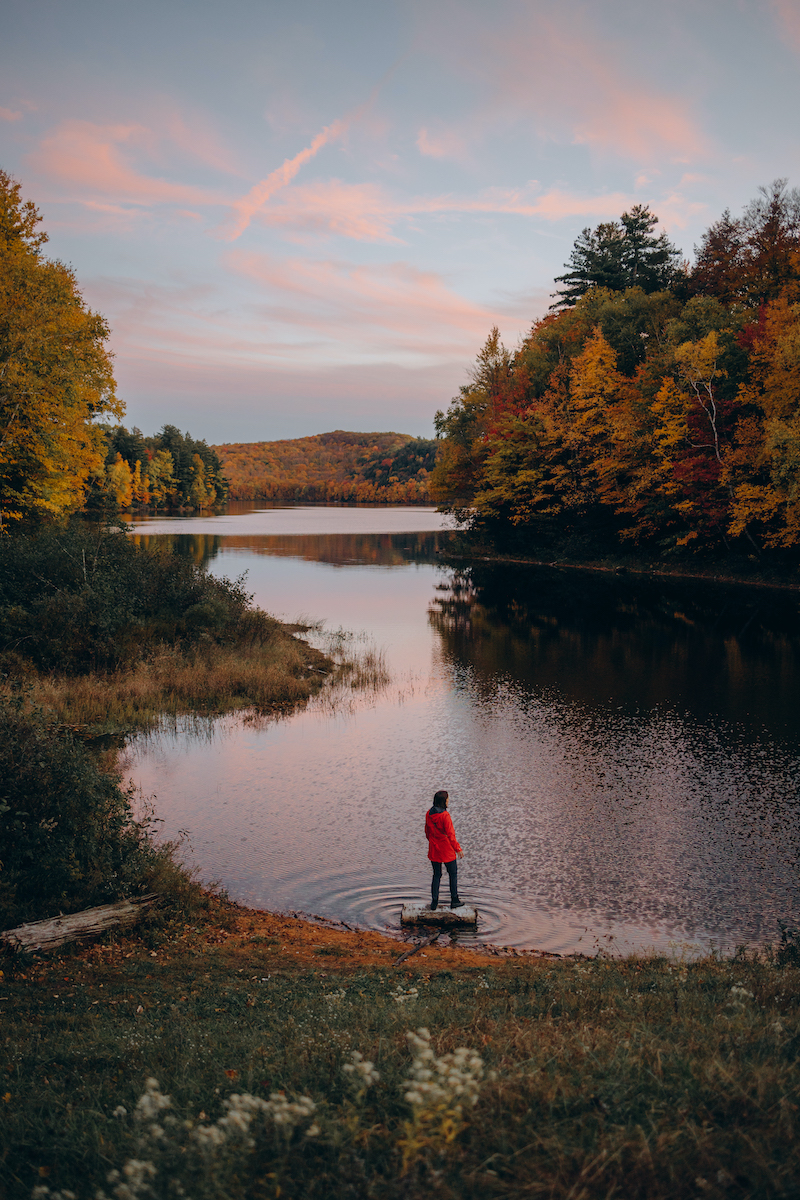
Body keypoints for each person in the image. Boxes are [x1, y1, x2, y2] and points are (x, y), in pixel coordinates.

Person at [425, 789, 464, 910]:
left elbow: (427, 831)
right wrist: (458, 849)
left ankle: (434, 902)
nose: (448, 801)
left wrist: (432, 842)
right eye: (447, 799)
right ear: (443, 801)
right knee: (453, 874)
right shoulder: (445, 816)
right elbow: (451, 835)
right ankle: (454, 900)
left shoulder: (429, 814)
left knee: (436, 875)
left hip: (434, 849)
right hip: (446, 850)